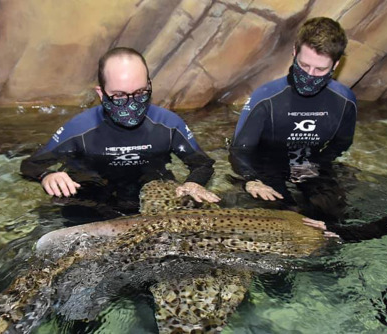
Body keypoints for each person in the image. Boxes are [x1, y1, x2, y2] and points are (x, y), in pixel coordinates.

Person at [21, 47, 219, 223]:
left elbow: (201, 163)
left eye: (140, 92)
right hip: (91, 201)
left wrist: (193, 183)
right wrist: (48, 175)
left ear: (149, 85)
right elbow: (31, 165)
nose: (132, 103)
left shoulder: (168, 124)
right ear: (101, 93)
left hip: (153, 197)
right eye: (119, 95)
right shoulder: (79, 129)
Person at [229, 17, 356, 221]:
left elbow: (342, 143)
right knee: (285, 218)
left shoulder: (344, 101)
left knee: (333, 217)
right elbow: (239, 150)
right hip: (267, 167)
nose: (310, 75)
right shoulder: (266, 98)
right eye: (304, 65)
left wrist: (319, 166)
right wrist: (251, 180)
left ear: (336, 64)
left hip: (307, 165)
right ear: (294, 53)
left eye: (320, 70)